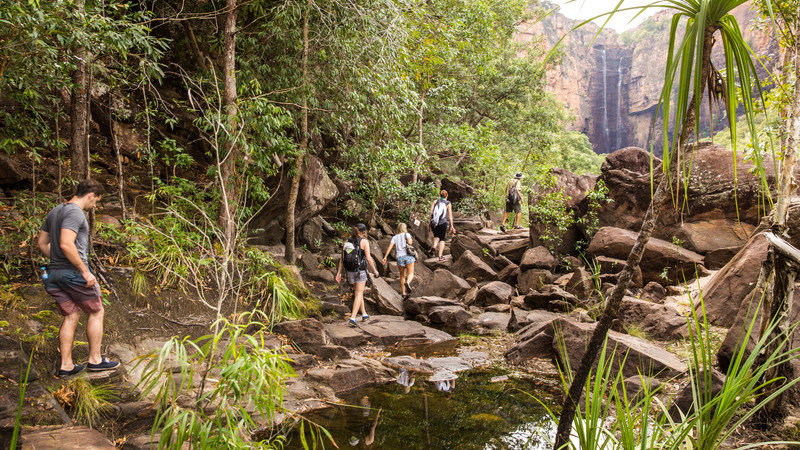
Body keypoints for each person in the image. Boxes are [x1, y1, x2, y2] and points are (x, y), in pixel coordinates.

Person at [37, 179, 120, 377]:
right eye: (96, 202)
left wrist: (58, 261)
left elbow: (42, 243)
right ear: (91, 195)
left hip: (54, 273)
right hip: (73, 274)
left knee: (71, 315)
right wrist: (83, 270)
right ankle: (95, 360)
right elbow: (66, 244)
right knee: (96, 311)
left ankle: (66, 365)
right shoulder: (75, 212)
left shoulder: (55, 211)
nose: (95, 206)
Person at [336, 223, 380, 327]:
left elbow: (342, 259)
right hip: (360, 271)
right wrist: (375, 271)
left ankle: (364, 314)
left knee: (358, 293)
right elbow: (368, 258)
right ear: (363, 232)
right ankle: (353, 317)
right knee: (359, 293)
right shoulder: (364, 242)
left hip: (350, 271)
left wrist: (339, 273)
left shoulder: (347, 242)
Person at [381, 223, 416, 298]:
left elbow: (390, 247)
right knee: (411, 273)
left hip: (399, 257)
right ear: (405, 228)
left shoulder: (395, 237)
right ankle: (408, 282)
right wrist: (410, 240)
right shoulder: (407, 234)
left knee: (402, 276)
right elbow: (410, 243)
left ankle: (403, 293)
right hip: (408, 256)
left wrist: (385, 257)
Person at [428, 190, 455, 261]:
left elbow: (431, 213)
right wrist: (452, 226)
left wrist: (429, 223)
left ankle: (434, 246)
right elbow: (450, 215)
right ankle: (440, 256)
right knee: (442, 238)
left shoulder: (435, 201)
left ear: (440, 195)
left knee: (436, 236)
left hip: (434, 222)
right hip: (442, 223)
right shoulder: (448, 203)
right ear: (447, 196)